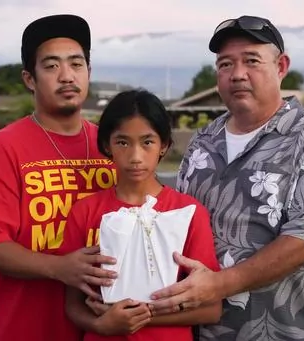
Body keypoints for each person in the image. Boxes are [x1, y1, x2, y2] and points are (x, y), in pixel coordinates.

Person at [149, 16, 304, 341]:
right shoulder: (202, 142)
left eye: (251, 60)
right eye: (225, 64)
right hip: (209, 331)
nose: (237, 74)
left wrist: (218, 285)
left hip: (294, 331)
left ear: (281, 66)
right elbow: (179, 224)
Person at [0, 14, 119, 341]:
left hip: (103, 330)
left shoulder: (113, 146)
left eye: (76, 64)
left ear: (89, 72)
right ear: (29, 79)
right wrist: (60, 268)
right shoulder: (3, 148)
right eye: (51, 66)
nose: (66, 76)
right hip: (23, 328)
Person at [62, 89, 222, 341]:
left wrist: (135, 317)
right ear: (107, 145)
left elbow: (211, 310)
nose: (135, 157)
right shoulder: (84, 212)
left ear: (164, 145)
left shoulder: (188, 213)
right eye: (123, 142)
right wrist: (103, 326)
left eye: (147, 142)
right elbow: (73, 305)